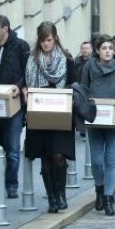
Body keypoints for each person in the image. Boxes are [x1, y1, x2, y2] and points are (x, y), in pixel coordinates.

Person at [23, 22, 77, 213]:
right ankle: (52, 199)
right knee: (45, 157)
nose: (46, 44)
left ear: (55, 39)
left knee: (59, 156)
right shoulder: (30, 59)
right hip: (39, 113)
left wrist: (69, 97)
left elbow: (73, 84)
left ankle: (61, 195)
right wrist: (24, 91)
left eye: (49, 40)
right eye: (43, 40)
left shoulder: (67, 60)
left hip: (61, 114)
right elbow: (25, 82)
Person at [81, 34, 115, 216]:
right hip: (95, 121)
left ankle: (109, 199)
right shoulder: (89, 66)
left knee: (110, 160)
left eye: (110, 48)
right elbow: (83, 91)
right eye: (104, 48)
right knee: (96, 161)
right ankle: (99, 190)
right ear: (97, 51)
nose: (108, 51)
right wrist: (87, 103)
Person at [0, 14, 30, 200]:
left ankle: (11, 184)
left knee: (13, 150)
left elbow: (28, 72)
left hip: (13, 106)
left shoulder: (20, 47)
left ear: (5, 29)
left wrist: (20, 85)